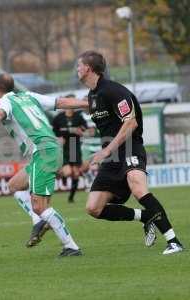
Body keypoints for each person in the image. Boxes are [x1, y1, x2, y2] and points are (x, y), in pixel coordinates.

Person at [77, 50, 183, 255]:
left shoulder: (113, 90)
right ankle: (145, 217)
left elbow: (131, 122)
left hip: (129, 147)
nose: (77, 70)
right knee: (94, 208)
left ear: (88, 69)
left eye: (79, 66)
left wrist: (107, 148)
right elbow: (75, 106)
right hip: (112, 157)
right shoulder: (93, 95)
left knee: (137, 186)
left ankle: (173, 241)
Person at [0, 73, 88, 257]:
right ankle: (38, 221)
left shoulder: (4, 102)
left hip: (42, 152)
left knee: (40, 206)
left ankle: (71, 246)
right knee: (14, 185)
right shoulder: (29, 96)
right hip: (49, 150)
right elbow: (60, 102)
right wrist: (87, 103)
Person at [52, 105, 88, 203]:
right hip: (64, 146)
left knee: (76, 173)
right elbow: (54, 129)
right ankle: (62, 175)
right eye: (68, 107)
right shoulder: (59, 118)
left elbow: (85, 126)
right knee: (68, 172)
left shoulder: (78, 116)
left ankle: (71, 197)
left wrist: (81, 130)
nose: (70, 108)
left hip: (74, 145)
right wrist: (59, 137)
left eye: (72, 107)